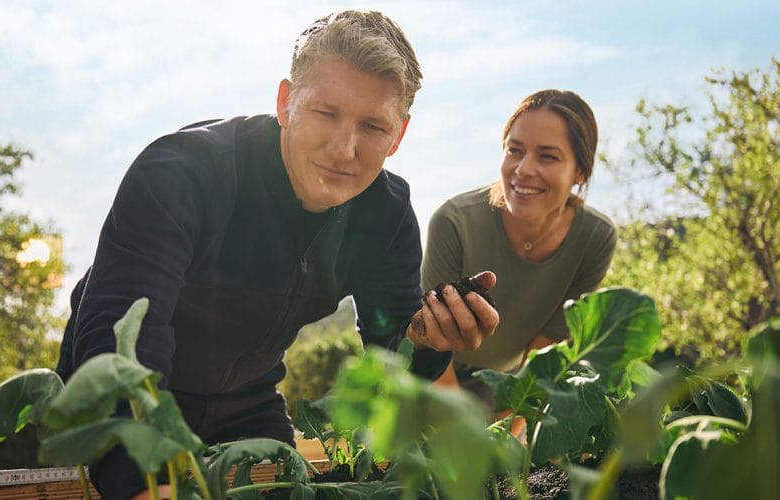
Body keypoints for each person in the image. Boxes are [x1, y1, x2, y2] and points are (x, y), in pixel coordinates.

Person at [56, 10, 499, 499]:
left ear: (399, 135)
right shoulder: (179, 173)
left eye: (373, 126)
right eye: (326, 113)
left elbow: (391, 357)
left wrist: (427, 340)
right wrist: (141, 477)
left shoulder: (387, 214)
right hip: (127, 398)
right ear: (286, 101)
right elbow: (121, 336)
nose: (344, 148)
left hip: (246, 403)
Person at [422, 89, 617, 412]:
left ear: (580, 170)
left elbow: (543, 357)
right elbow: (429, 344)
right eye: (515, 150)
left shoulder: (595, 238)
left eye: (547, 156)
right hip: (429, 373)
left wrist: (511, 431)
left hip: (500, 382)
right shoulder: (454, 221)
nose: (524, 169)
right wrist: (459, 434)